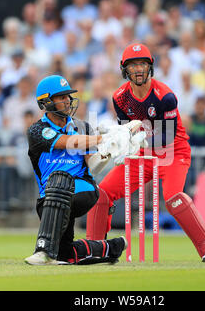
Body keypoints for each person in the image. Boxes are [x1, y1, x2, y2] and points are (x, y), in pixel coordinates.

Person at [85, 43, 205, 263]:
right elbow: (126, 129)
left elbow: (166, 138)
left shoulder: (165, 96)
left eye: (142, 64)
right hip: (142, 152)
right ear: (124, 69)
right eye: (133, 65)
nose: (138, 69)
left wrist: (136, 141)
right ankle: (94, 248)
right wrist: (120, 142)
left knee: (173, 198)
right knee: (102, 192)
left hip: (173, 152)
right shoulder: (119, 97)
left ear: (150, 67)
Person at [24, 75, 139, 265]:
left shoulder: (83, 127)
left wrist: (108, 153)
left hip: (82, 189)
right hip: (49, 198)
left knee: (60, 180)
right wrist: (105, 139)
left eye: (68, 96)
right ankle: (111, 247)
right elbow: (68, 142)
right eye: (61, 97)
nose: (68, 101)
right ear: (46, 102)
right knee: (64, 252)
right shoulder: (37, 131)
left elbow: (93, 165)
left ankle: (43, 250)